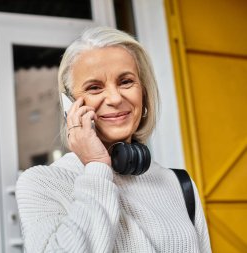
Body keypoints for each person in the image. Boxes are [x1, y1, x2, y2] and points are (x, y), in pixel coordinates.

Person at [16, 26, 211, 253]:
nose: (115, 98)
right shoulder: (41, 183)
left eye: (126, 82)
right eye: (94, 87)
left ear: (144, 93)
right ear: (71, 105)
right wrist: (97, 166)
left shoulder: (178, 183)